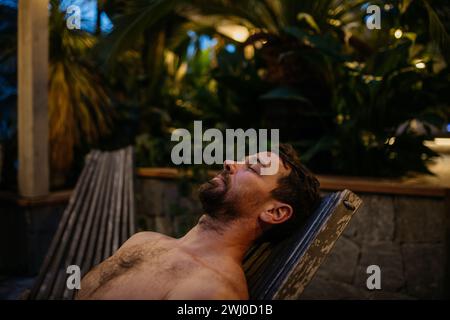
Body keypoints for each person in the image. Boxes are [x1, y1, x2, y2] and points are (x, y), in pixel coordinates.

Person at [76, 144, 320, 300]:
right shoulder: (144, 240)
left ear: (275, 212)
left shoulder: (214, 291)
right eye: (241, 159)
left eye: (253, 168)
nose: (228, 164)